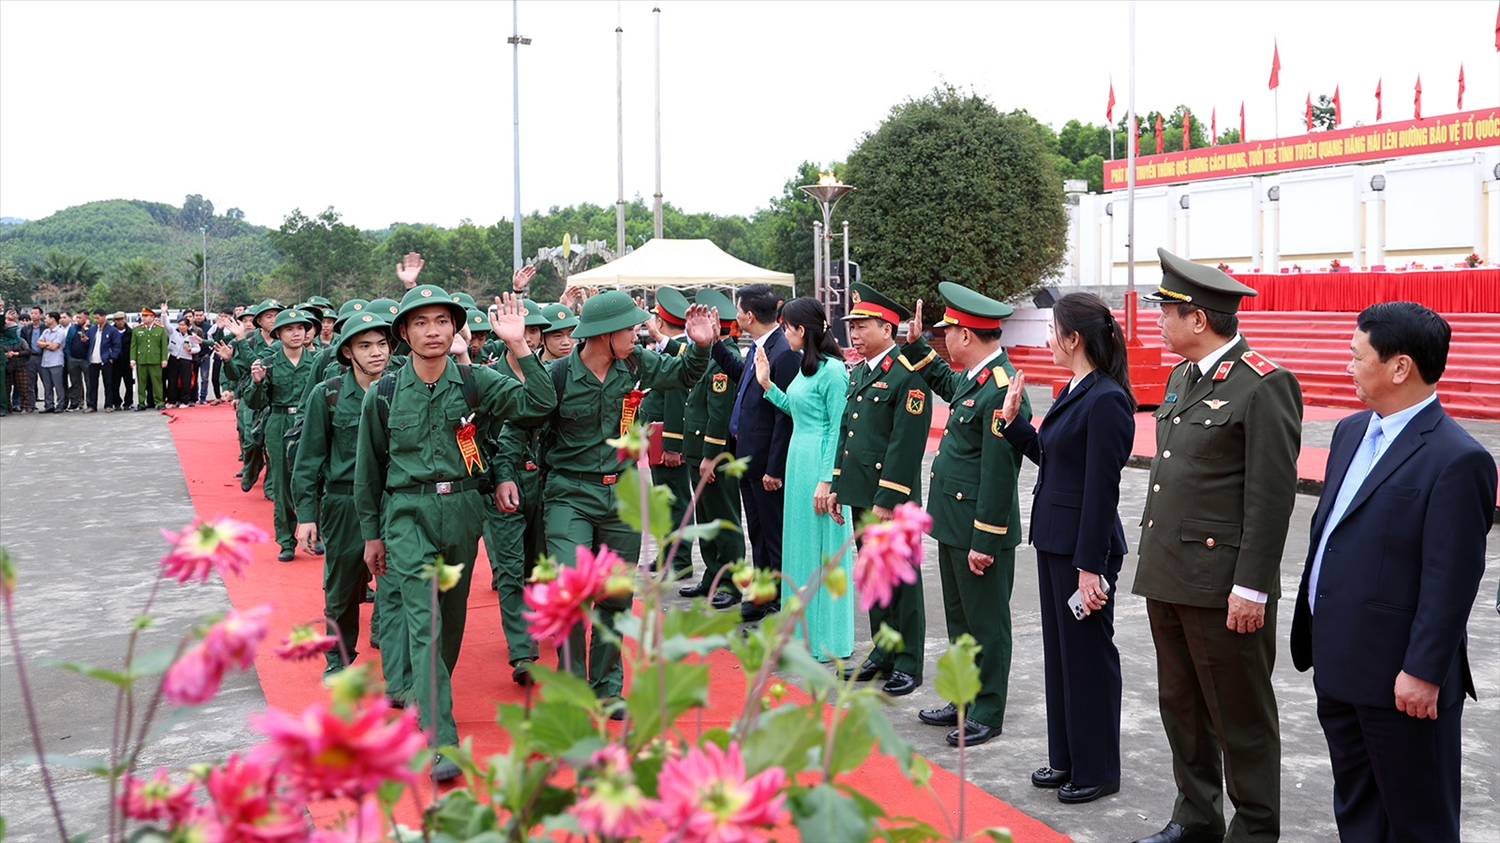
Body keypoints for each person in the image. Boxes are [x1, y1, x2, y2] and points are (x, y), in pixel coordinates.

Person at [1290, 302, 1495, 842]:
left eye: (1357, 357)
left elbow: (1451, 579)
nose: (1347, 366)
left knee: (1417, 822)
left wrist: (1424, 671)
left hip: (1402, 682)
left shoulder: (1457, 458)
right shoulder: (1351, 432)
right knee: (1358, 810)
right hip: (1340, 665)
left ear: (1399, 367)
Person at [1131, 249, 1303, 843]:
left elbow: (1271, 498)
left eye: (1167, 309)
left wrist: (1251, 586)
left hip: (1224, 586)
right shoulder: (1183, 377)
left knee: (1241, 719)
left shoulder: (1264, 384)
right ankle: (1196, 817)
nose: (1159, 318)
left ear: (1198, 319)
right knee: (1182, 709)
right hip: (1170, 574)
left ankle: (1254, 829)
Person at [355, 285, 557, 782]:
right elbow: (369, 470)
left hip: (464, 507)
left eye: (441, 321)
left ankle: (420, 694)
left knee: (450, 619)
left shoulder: (475, 382)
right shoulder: (382, 394)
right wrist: (371, 534)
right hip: (407, 512)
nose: (432, 331)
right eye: (420, 323)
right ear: (404, 333)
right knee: (423, 621)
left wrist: (519, 347)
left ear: (455, 328)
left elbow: (539, 403)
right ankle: (439, 737)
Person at [539, 290, 716, 710]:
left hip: (620, 492)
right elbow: (522, 425)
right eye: (631, 328)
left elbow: (684, 373)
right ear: (604, 334)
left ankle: (605, 689)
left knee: (615, 594)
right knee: (571, 589)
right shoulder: (558, 375)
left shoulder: (636, 365)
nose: (638, 334)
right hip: (569, 492)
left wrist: (702, 344)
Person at [997, 292, 1135, 805]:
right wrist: (1015, 425)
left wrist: (1089, 567)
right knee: (1061, 658)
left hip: (1083, 550)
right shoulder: (1075, 388)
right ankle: (1068, 758)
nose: (1046, 339)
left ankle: (1098, 769)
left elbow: (1101, 490)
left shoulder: (1106, 400)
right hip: (1056, 541)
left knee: (1088, 660)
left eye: (1053, 331)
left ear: (1074, 339)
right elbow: (1055, 461)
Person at [902, 283, 1030, 748]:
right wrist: (916, 343)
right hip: (955, 522)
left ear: (967, 335)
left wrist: (985, 539)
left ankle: (987, 710)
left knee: (987, 624)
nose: (943, 339)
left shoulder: (1001, 387)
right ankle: (963, 699)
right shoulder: (977, 377)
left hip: (979, 529)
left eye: (947, 332)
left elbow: (999, 474)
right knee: (960, 619)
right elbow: (943, 382)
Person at [832, 282, 931, 696]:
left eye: (863, 326)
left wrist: (887, 499)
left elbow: (905, 446)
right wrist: (839, 484)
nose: (854, 335)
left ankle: (908, 660)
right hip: (861, 495)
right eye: (852, 327)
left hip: (890, 499)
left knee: (902, 583)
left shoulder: (906, 378)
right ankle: (883, 650)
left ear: (888, 329)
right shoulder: (860, 373)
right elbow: (848, 433)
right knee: (874, 575)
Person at [292, 310, 399, 681]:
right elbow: (308, 459)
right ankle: (338, 658)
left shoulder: (403, 388)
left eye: (382, 344)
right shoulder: (329, 395)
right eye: (365, 346)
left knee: (399, 583)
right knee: (342, 586)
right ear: (348, 352)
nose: (376, 353)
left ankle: (399, 670)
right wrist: (306, 515)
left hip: (396, 500)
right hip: (344, 503)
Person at [753, 297, 854, 661]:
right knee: (799, 547)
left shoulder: (834, 371)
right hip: (798, 459)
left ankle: (829, 639)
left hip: (819, 465)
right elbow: (797, 411)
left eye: (787, 327)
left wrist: (827, 480)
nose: (783, 333)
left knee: (821, 551)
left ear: (801, 330)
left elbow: (837, 429)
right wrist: (766, 385)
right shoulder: (805, 367)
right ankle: (799, 633)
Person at [709, 283, 799, 620]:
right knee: (757, 531)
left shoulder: (783, 350)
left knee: (773, 533)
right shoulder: (761, 346)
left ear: (748, 315)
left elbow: (784, 414)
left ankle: (777, 596)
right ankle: (764, 592)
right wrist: (716, 345)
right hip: (747, 456)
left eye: (739, 310)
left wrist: (774, 468)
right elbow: (741, 379)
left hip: (766, 465)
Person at [481, 298, 551, 686]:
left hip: (545, 482)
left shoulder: (548, 374)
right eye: (529, 330)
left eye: (536, 331)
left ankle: (544, 617)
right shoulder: (488, 377)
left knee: (540, 564)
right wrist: (497, 476)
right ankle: (522, 651)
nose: (533, 337)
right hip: (503, 483)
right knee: (510, 569)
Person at [676, 289, 745, 603]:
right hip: (697, 450)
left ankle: (730, 582)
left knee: (723, 517)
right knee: (705, 517)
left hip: (714, 454)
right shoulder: (708, 354)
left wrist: (710, 456)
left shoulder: (725, 360)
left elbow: (720, 411)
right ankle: (712, 574)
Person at [245, 308, 320, 562]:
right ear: (278, 334)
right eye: (290, 329)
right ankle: (286, 540)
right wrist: (256, 382)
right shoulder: (268, 363)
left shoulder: (318, 361)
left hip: (310, 422)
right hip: (279, 423)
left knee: (315, 480)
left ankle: (314, 535)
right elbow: (255, 402)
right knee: (282, 483)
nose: (297, 333)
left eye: (301, 328)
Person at [640, 287, 695, 578]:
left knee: (676, 499)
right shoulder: (675, 347)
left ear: (660, 323)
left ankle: (680, 560)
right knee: (665, 499)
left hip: (667, 436)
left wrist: (673, 445)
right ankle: (667, 554)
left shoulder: (678, 351)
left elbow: (678, 400)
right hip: (658, 433)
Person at [130, 307, 169, 411]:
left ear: (152, 317)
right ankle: (141, 403)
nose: (144, 318)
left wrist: (164, 359)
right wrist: (132, 359)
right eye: (143, 316)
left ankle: (159, 402)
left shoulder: (160, 329)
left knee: (157, 382)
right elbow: (134, 346)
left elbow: (163, 346)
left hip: (155, 359)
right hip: (141, 359)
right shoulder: (137, 329)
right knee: (141, 383)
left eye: (146, 316)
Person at [85, 310, 121, 413]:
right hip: (93, 360)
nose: (96, 320)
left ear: (104, 317)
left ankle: (109, 405)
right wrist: (84, 341)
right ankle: (92, 405)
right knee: (92, 384)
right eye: (95, 318)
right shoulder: (92, 330)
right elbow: (87, 344)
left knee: (108, 383)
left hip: (105, 360)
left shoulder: (112, 330)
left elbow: (117, 346)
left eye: (98, 318)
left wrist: (112, 357)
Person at [165, 316, 200, 408]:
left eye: (183, 325)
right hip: (173, 359)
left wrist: (190, 349)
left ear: (188, 326)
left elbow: (198, 348)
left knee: (186, 381)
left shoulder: (192, 336)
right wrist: (164, 313)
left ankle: (185, 401)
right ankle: (172, 401)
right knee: (172, 380)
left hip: (186, 360)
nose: (181, 327)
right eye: (180, 325)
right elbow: (166, 324)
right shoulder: (173, 332)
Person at [37, 312, 67, 413]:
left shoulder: (60, 332)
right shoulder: (46, 331)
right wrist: (48, 343)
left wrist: (45, 344)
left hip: (56, 362)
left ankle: (60, 405)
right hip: (45, 362)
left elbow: (54, 347)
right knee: (47, 386)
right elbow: (38, 343)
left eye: (46, 318)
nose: (45, 320)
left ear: (53, 319)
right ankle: (49, 405)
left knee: (58, 385)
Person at [64, 311, 89, 411]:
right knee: (75, 383)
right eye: (77, 317)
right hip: (73, 359)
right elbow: (67, 343)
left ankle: (91, 403)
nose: (77, 320)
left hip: (86, 360)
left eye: (80, 317)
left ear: (86, 318)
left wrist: (85, 329)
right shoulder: (72, 328)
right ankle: (74, 403)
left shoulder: (91, 328)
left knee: (89, 382)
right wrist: (69, 356)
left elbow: (90, 342)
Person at [110, 312, 134, 411]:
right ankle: (116, 402)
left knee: (129, 383)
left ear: (125, 320)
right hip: (115, 362)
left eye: (122, 319)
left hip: (127, 361)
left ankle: (128, 402)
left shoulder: (131, 332)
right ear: (114, 321)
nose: (120, 322)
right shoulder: (111, 332)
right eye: (117, 320)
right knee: (115, 384)